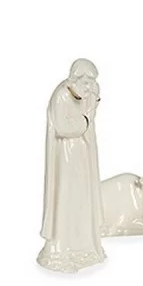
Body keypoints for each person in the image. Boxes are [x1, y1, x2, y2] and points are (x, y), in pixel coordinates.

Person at [37, 58, 105, 272]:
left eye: (92, 82)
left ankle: (84, 245)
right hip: (66, 155)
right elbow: (64, 128)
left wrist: (91, 106)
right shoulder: (62, 95)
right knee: (66, 198)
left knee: (82, 198)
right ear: (76, 79)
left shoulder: (85, 94)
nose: (89, 87)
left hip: (81, 155)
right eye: (86, 82)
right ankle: (62, 247)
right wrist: (86, 118)